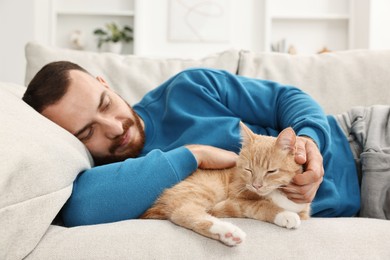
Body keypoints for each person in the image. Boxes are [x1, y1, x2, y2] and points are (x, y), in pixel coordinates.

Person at [22, 61, 387, 226]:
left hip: (360, 136)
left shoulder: (188, 87)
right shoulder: (118, 177)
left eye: (105, 104)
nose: (113, 127)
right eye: (87, 132)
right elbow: (78, 209)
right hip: (365, 203)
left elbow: (286, 99)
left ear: (105, 83)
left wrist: (310, 141)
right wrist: (193, 155)